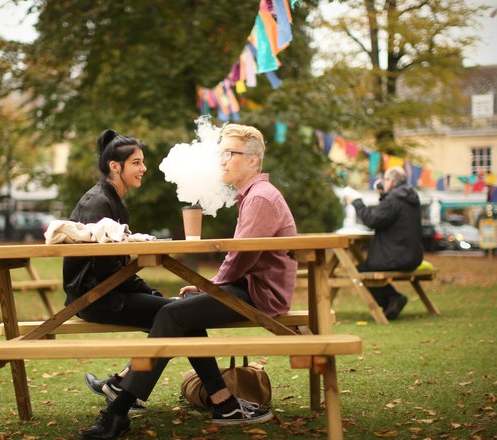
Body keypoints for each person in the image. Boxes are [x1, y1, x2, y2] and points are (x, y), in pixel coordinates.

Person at [79, 124, 298, 440]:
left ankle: (118, 407)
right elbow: (241, 259)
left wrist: (213, 284)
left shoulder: (261, 197)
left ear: (253, 160)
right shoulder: (254, 195)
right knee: (179, 311)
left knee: (171, 314)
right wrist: (211, 285)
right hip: (250, 288)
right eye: (220, 153)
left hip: (261, 296)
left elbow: (242, 257)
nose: (222, 161)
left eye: (230, 154)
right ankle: (222, 403)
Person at [63, 129, 175, 410]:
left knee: (177, 319)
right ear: (115, 166)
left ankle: (120, 383)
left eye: (142, 162)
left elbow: (117, 268)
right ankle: (220, 399)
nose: (143, 169)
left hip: (105, 292)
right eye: (136, 162)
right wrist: (147, 291)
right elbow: (107, 270)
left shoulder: (112, 200)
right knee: (177, 318)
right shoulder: (98, 202)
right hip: (95, 298)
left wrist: (146, 290)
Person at [344, 166, 423, 320]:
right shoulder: (411, 197)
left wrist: (357, 202)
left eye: (385, 179)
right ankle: (391, 302)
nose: (383, 182)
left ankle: (393, 298)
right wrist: (383, 195)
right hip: (413, 257)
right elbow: (388, 218)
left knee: (360, 270)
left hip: (396, 257)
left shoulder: (393, 199)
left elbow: (372, 220)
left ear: (392, 181)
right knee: (366, 267)